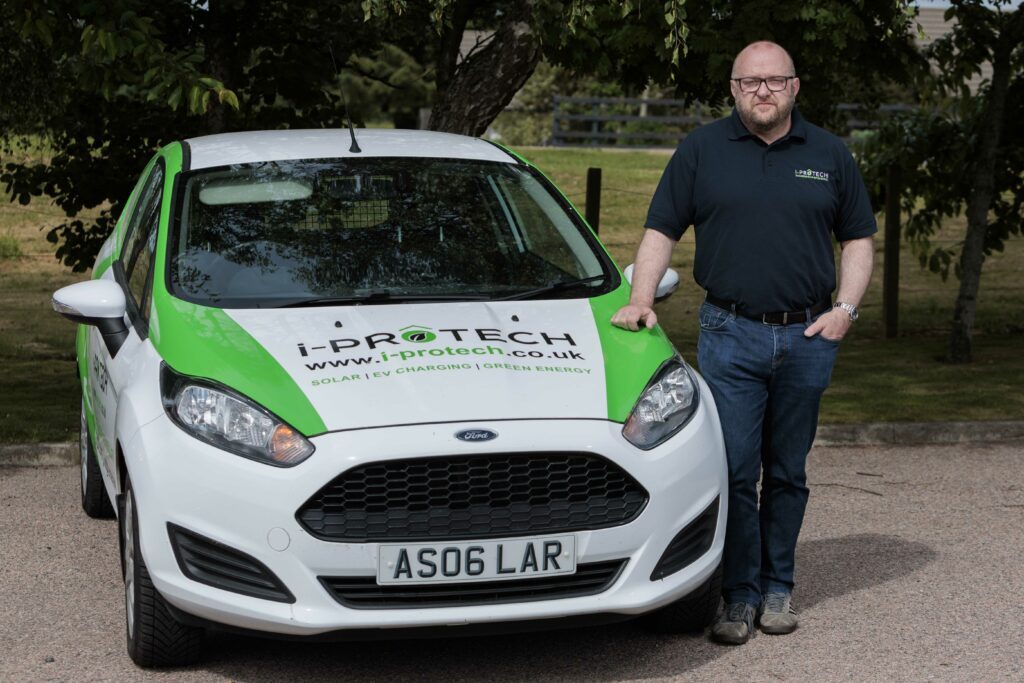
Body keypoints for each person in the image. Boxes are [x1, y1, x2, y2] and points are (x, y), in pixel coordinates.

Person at [611, 41, 876, 645]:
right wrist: (641, 298)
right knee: (731, 471)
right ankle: (737, 596)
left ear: (794, 87)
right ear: (733, 89)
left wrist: (846, 311)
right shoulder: (701, 151)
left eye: (775, 81)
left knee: (786, 471)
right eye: (751, 81)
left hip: (809, 336)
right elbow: (661, 230)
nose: (763, 90)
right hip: (729, 334)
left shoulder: (830, 154)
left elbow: (858, 239)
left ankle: (778, 586)